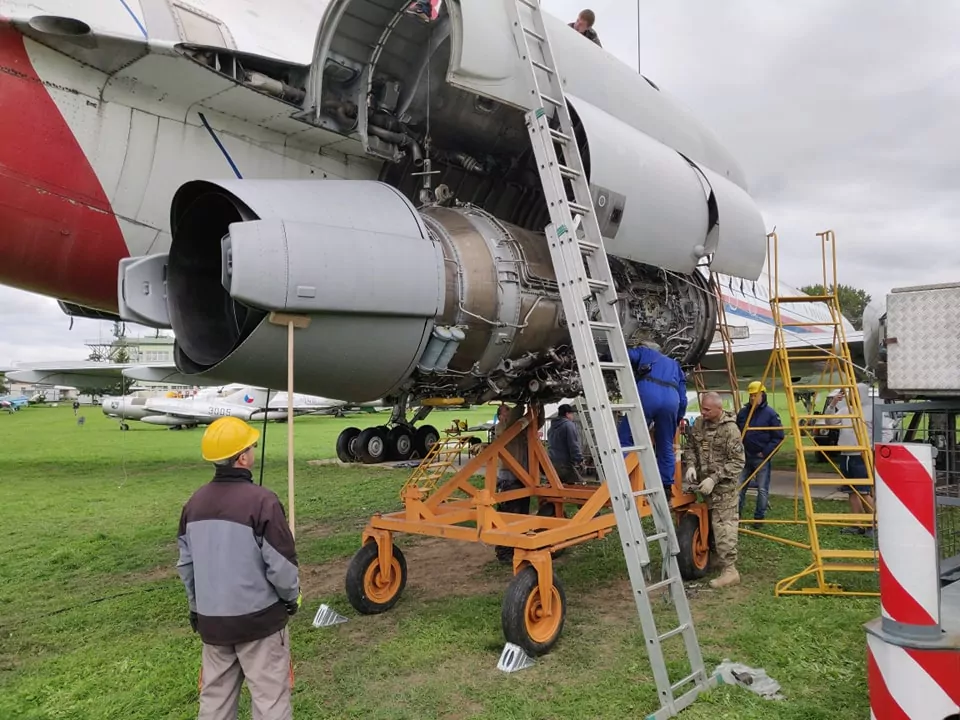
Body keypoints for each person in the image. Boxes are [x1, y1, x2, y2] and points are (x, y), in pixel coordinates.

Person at [177, 416, 301, 720]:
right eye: (251, 447)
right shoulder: (263, 502)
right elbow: (282, 566)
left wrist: (197, 608)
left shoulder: (193, 504)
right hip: (259, 623)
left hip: (213, 624)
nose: (253, 452)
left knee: (214, 703)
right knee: (271, 701)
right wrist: (291, 598)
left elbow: (187, 566)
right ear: (242, 457)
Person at [681, 392, 745, 589]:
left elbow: (738, 461)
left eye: (707, 409)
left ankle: (730, 570)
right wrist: (691, 465)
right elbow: (691, 446)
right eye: (702, 408)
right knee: (709, 524)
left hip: (723, 489)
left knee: (724, 527)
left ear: (719, 409)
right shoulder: (699, 424)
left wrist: (714, 478)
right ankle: (716, 558)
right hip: (705, 488)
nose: (703, 412)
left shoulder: (730, 430)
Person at [615, 342, 687, 488]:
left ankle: (625, 480)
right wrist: (677, 417)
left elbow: (624, 354)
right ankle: (666, 485)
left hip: (648, 395)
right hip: (671, 401)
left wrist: (604, 356)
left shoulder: (644, 352)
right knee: (665, 444)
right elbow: (683, 399)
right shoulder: (675, 364)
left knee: (627, 439)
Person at [826, 383, 892, 537]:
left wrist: (873, 449)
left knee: (863, 491)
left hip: (861, 456)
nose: (849, 397)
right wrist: (833, 403)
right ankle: (857, 524)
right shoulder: (845, 410)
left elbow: (887, 432)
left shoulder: (871, 411)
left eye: (852, 393)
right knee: (851, 491)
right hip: (846, 454)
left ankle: (875, 525)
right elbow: (830, 422)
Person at [493, 402, 544, 563]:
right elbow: (514, 420)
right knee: (509, 517)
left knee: (522, 515)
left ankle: (520, 547)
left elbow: (538, 422)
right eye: (506, 411)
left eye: (510, 410)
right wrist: (521, 401)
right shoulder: (502, 428)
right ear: (500, 416)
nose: (509, 412)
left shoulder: (519, 428)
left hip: (522, 477)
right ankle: (504, 552)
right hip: (508, 478)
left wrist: (538, 405)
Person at [736, 381, 784, 526]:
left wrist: (765, 453)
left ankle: (759, 519)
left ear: (763, 395)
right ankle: (736, 517)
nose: (752, 398)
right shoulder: (743, 413)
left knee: (762, 489)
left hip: (761, 458)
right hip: (744, 457)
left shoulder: (771, 414)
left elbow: (779, 437)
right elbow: (736, 433)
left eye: (755, 395)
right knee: (738, 488)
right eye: (751, 395)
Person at [548, 404, 584, 484]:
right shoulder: (568, 425)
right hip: (564, 463)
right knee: (578, 485)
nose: (573, 416)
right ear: (567, 414)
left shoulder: (551, 428)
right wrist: (579, 460)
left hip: (551, 462)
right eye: (572, 414)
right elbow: (573, 444)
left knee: (558, 487)